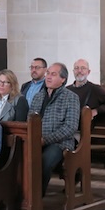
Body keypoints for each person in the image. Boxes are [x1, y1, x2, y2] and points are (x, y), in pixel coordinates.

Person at [28, 62, 81, 196]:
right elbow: (29, 120)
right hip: (36, 140)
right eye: (48, 74)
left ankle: (36, 198)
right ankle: (23, 195)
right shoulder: (38, 97)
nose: (48, 77)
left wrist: (45, 140)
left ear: (63, 79)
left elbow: (70, 127)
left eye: (53, 74)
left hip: (60, 143)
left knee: (44, 161)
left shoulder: (71, 97)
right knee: (20, 158)